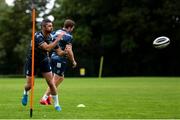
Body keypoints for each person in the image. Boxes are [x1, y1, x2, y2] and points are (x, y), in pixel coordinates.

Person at [21, 19, 66, 111]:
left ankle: (57, 105)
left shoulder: (51, 37)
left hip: (44, 60)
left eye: (51, 25)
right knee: (30, 85)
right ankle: (25, 93)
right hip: (32, 60)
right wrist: (57, 40)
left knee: (51, 83)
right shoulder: (38, 36)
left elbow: (59, 52)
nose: (51, 27)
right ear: (43, 27)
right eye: (49, 26)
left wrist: (65, 52)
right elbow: (48, 48)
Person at [39, 19, 77, 106]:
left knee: (61, 78)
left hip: (51, 58)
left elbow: (48, 43)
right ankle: (44, 97)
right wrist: (73, 61)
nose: (72, 30)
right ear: (70, 27)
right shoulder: (69, 36)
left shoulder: (55, 32)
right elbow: (69, 50)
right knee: (55, 80)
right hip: (60, 59)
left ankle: (49, 96)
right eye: (72, 28)